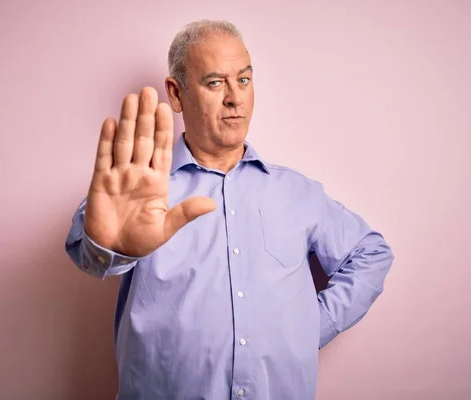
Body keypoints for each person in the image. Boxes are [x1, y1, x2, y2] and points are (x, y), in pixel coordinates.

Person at [65, 19, 394, 400]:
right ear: (176, 94)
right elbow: (88, 254)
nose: (235, 98)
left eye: (244, 79)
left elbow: (372, 253)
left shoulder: (297, 192)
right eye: (215, 83)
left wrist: (312, 327)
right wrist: (108, 248)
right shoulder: (140, 187)